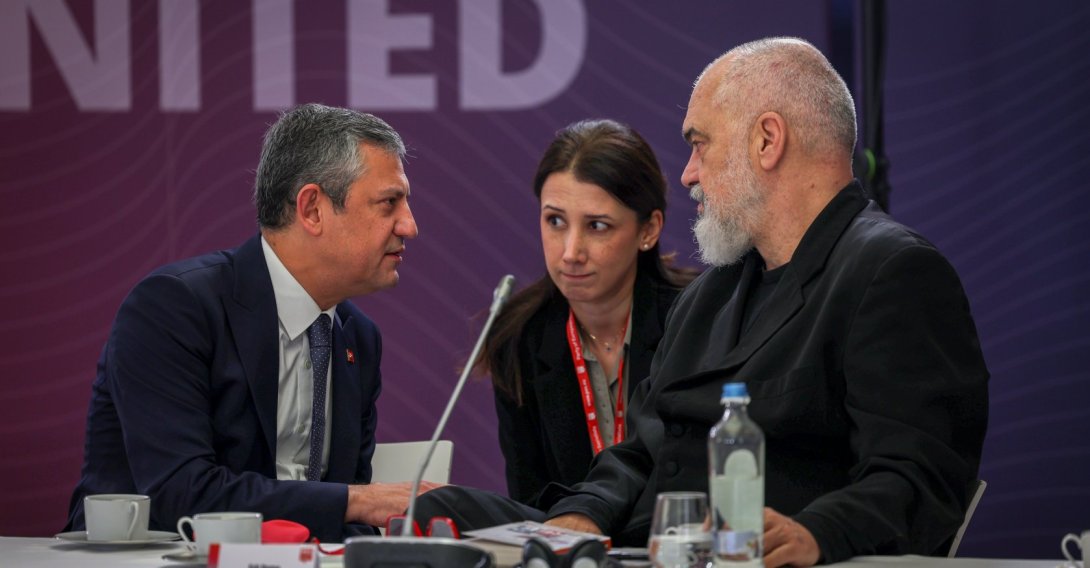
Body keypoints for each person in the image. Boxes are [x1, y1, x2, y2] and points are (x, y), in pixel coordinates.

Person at [413, 37, 989, 567]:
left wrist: (815, 533)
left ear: (767, 140)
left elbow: (923, 476)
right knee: (441, 511)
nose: (688, 173)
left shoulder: (891, 270)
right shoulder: (713, 292)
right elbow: (640, 450)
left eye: (699, 144)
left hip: (755, 558)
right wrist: (579, 516)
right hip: (648, 548)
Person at [64, 103, 436, 542]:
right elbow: (180, 494)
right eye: (389, 203)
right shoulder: (174, 306)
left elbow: (343, 520)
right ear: (313, 209)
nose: (409, 226)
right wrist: (362, 500)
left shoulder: (357, 338)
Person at [477, 119, 699, 506]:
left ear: (649, 230)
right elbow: (530, 501)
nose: (570, 252)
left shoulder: (698, 318)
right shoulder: (518, 336)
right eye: (555, 221)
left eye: (597, 226)